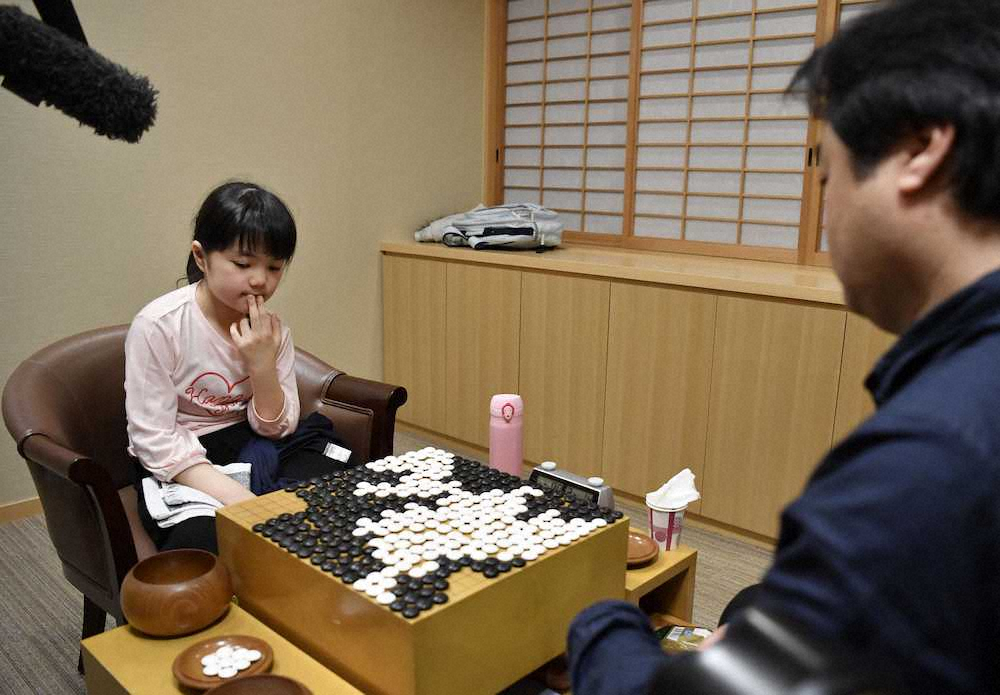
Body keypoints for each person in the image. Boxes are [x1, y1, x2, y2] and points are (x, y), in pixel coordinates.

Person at [567, 1, 1000, 693]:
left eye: (827, 178)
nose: (826, 214)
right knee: (747, 609)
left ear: (921, 151)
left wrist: (600, 621)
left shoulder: (931, 453)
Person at [126, 181, 341, 554]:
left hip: (251, 441)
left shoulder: (272, 332)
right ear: (201, 257)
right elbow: (154, 440)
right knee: (205, 542)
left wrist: (262, 365)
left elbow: (277, 428)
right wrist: (244, 503)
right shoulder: (159, 325)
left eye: (274, 267)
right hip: (186, 457)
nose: (260, 279)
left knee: (339, 490)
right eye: (242, 264)